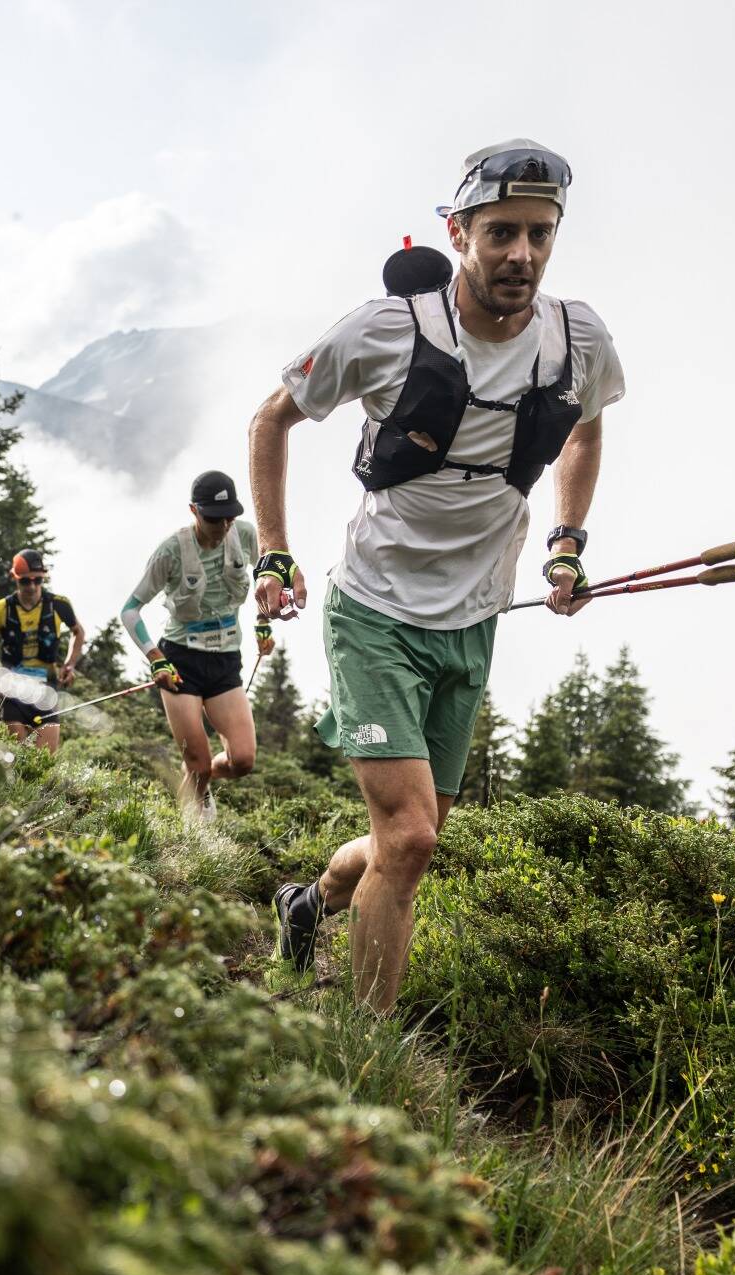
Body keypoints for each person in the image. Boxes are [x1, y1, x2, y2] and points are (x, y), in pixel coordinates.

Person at [247, 139, 625, 1010]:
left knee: (408, 839)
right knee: (412, 838)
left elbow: (585, 427)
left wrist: (566, 539)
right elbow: (273, 418)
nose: (521, 255)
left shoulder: (580, 338)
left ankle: (307, 904)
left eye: (539, 234)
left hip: (474, 620)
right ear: (458, 232)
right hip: (374, 609)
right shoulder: (385, 330)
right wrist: (274, 550)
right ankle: (367, 1057)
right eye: (500, 233)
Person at [120, 469, 273, 819]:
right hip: (180, 662)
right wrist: (155, 658)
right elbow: (130, 611)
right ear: (194, 511)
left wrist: (263, 623)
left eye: (229, 518)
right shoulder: (171, 552)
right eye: (214, 518)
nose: (222, 526)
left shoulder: (245, 536)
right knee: (197, 763)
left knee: (243, 760)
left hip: (225, 659)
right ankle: (193, 822)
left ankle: (199, 784)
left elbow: (266, 579)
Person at [0, 549, 85, 753]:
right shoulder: (1, 609)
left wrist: (70, 664)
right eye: (25, 581)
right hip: (12, 690)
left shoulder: (59, 605)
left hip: (46, 690)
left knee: (43, 762)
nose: (32, 586)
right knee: (15, 759)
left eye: (37, 580)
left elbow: (78, 632)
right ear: (14, 578)